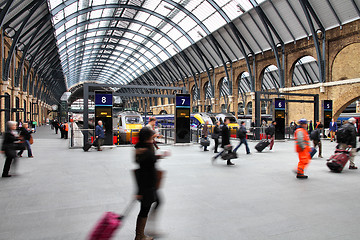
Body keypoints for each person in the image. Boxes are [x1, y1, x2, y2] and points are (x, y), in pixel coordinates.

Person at [133, 127, 168, 240]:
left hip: (149, 185)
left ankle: (141, 234)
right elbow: (145, 169)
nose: (153, 138)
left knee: (154, 203)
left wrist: (160, 156)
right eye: (151, 137)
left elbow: (151, 158)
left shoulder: (143, 148)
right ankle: (140, 235)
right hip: (147, 185)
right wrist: (139, 191)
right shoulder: (146, 151)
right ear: (146, 138)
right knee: (145, 208)